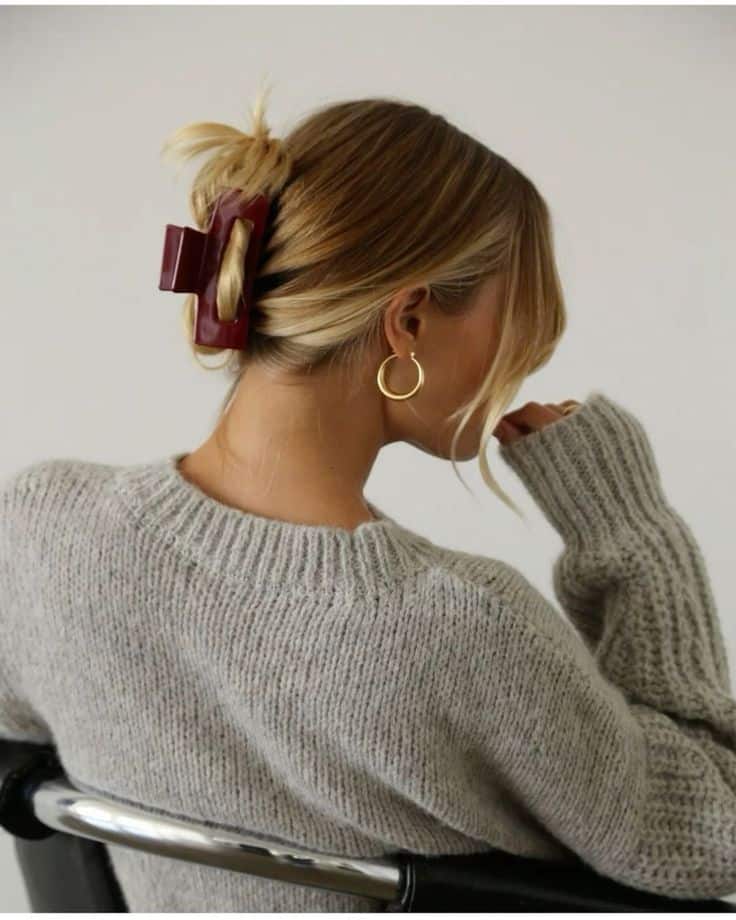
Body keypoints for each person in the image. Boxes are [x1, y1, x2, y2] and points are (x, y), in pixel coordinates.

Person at [2, 91, 735, 912]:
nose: (521, 363)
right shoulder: (463, 628)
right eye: (516, 322)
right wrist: (628, 527)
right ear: (410, 321)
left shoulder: (43, 529)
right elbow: (716, 842)